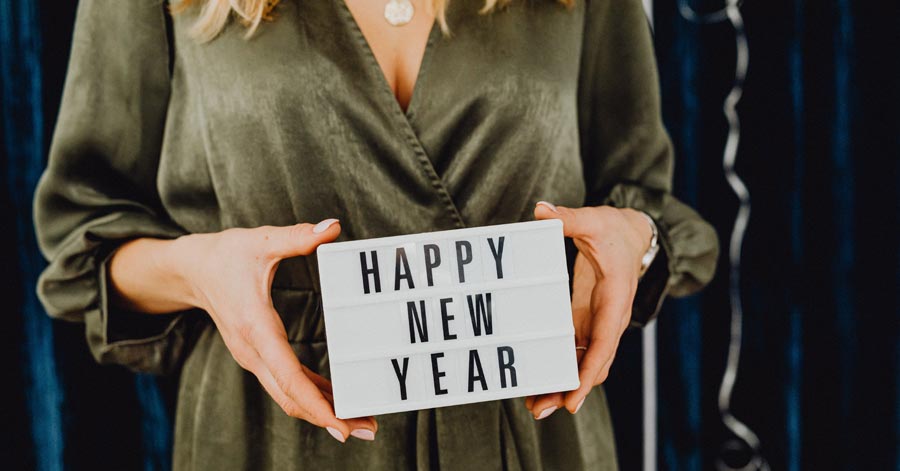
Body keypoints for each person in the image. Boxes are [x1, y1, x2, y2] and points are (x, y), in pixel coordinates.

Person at [33, 0, 718, 469]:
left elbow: (644, 202)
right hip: (271, 438)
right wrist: (201, 270)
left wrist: (637, 241)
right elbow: (83, 246)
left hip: (534, 432)